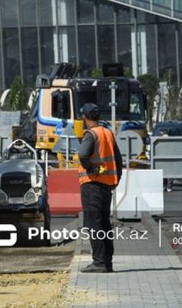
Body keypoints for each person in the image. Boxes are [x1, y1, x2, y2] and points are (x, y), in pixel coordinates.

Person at [78, 103, 122, 273]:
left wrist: (90, 168)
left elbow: (83, 154)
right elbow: (118, 159)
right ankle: (107, 262)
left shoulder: (90, 134)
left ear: (84, 118)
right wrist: (117, 179)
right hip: (106, 186)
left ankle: (98, 263)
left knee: (93, 224)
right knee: (104, 224)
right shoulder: (108, 133)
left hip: (91, 185)